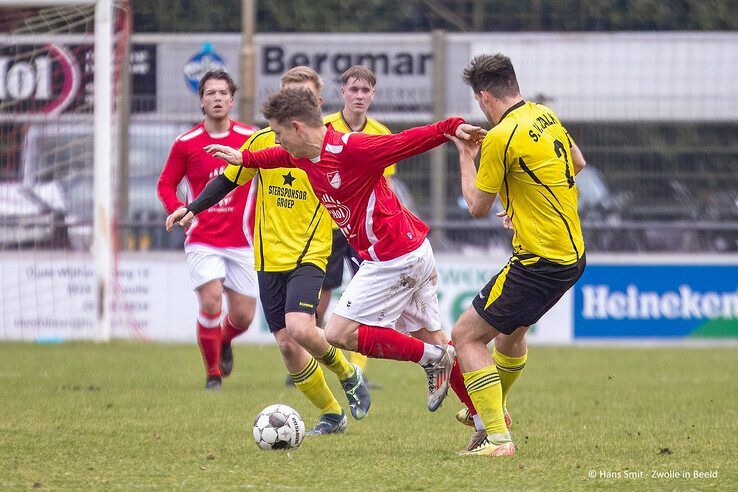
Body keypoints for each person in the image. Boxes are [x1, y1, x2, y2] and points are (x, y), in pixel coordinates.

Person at [173, 87, 486, 414]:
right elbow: (274, 156)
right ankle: (487, 420)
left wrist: (451, 126)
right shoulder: (304, 154)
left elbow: (407, 141)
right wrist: (243, 160)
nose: (276, 140)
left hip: (396, 255)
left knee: (339, 332)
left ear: (296, 127)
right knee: (433, 337)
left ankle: (431, 360)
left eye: (279, 133)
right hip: (409, 249)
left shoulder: (352, 149)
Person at [170, 66, 370, 435]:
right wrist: (191, 207)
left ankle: (348, 373)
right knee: (286, 344)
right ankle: (331, 414)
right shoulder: (263, 141)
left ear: (317, 103)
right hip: (266, 257)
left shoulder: (333, 144)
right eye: (289, 96)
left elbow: (362, 192)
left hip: (310, 253)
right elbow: (229, 179)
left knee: (301, 328)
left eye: (304, 96)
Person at [447, 53, 587, 456]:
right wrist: (523, 203)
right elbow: (575, 162)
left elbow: (476, 206)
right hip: (572, 256)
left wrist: (464, 153)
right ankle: (492, 412)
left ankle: (497, 437)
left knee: (465, 337)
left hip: (539, 261)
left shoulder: (499, 136)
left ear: (485, 96)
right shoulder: (545, 115)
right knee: (510, 336)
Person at [156, 69, 258, 390]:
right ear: (201, 101)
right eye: (210, 93)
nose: (217, 98)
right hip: (203, 238)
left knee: (243, 317)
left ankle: (224, 340)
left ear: (231, 99)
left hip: (243, 240)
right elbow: (166, 184)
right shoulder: (186, 143)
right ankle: (213, 374)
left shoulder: (251, 137)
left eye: (222, 93)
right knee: (211, 300)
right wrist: (177, 209)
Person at [318, 65, 398, 386]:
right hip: (326, 226)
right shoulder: (324, 128)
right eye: (354, 90)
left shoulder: (382, 133)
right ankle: (313, 355)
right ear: (343, 93)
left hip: (362, 231)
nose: (360, 96)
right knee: (320, 297)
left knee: (361, 297)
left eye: (366, 91)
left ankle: (359, 370)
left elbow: (385, 185)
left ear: (373, 94)